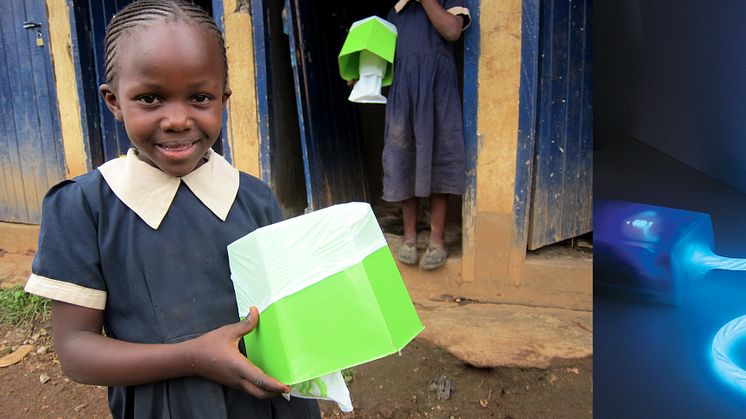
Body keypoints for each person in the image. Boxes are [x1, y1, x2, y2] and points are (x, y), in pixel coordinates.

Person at [23, 1, 321, 417]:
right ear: (113, 101)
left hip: (270, 404)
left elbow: (287, 312)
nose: (178, 119)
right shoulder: (85, 207)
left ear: (223, 99)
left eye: (200, 97)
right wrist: (191, 356)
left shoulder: (254, 197)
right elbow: (75, 350)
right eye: (150, 98)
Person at [383, 0, 470, 270]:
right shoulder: (395, 13)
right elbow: (381, 57)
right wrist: (361, 72)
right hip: (403, 94)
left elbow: (452, 31)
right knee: (404, 159)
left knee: (438, 158)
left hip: (437, 92)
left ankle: (437, 241)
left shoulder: (449, 3)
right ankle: (409, 238)